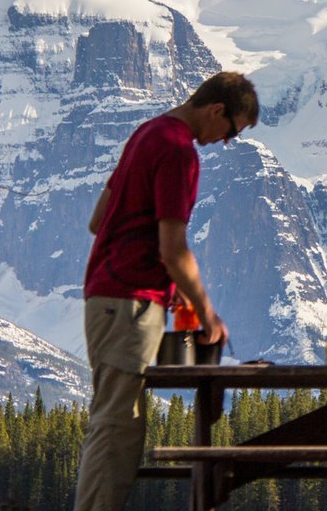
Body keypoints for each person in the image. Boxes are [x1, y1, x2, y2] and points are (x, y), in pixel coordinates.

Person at [73, 71, 259, 511]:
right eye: (231, 131)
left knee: (115, 421)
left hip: (107, 295)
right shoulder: (179, 151)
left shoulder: (147, 133)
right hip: (129, 302)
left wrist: (162, 275)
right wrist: (207, 312)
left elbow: (99, 221)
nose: (226, 141)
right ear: (217, 111)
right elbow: (175, 249)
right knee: (118, 426)